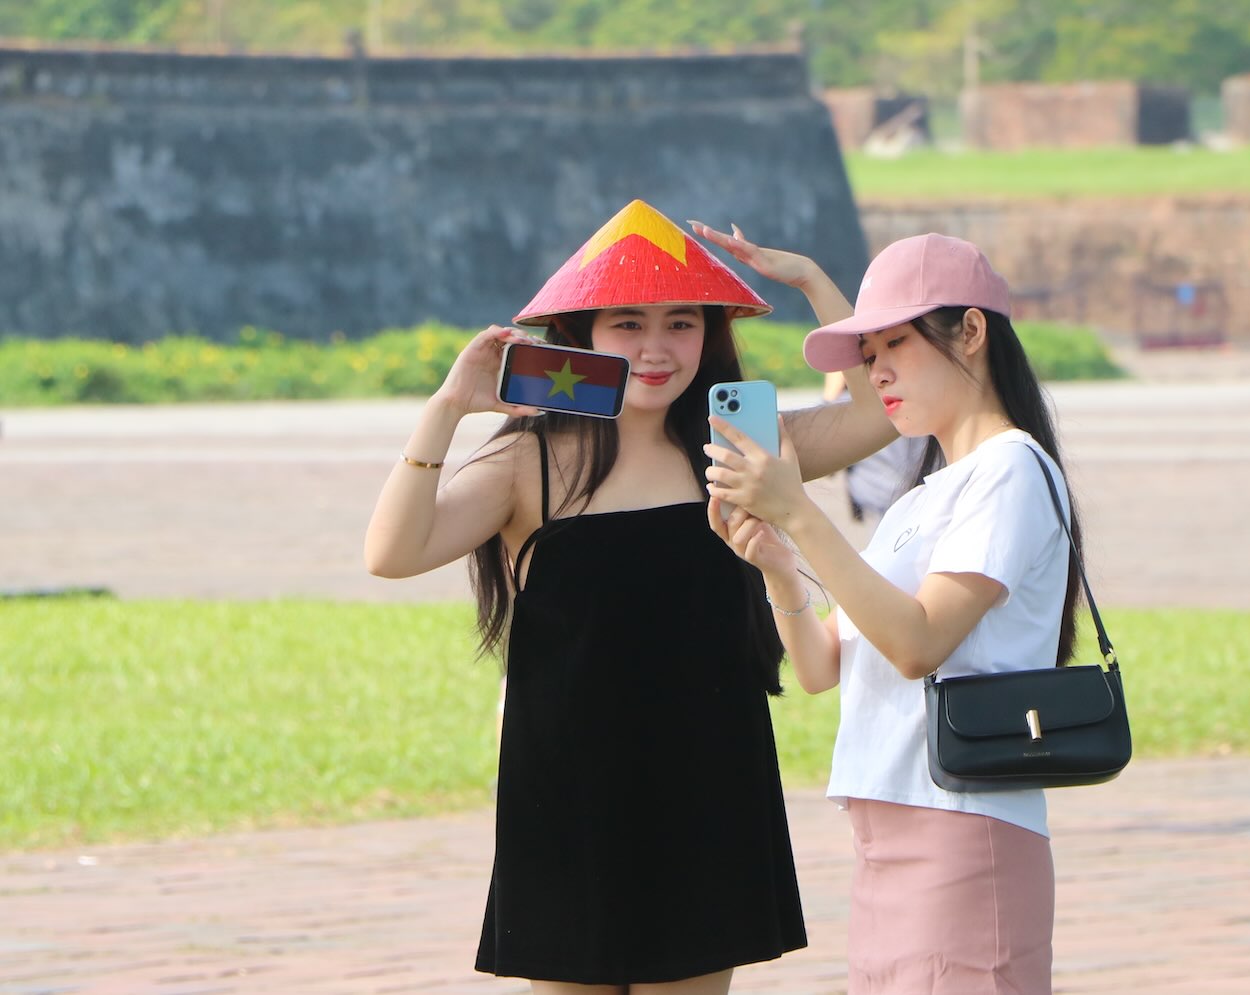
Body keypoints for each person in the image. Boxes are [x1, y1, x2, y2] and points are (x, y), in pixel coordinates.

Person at [364, 199, 895, 994]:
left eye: (681, 323)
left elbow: (878, 414)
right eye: (627, 324)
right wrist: (447, 409)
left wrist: (814, 281)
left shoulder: (744, 449)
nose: (656, 348)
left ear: (709, 335)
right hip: (567, 795)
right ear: (582, 336)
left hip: (708, 783)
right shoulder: (529, 462)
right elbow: (392, 553)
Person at [703, 233, 1084, 994]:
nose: (876, 371)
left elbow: (918, 643)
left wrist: (800, 511)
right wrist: (778, 565)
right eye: (868, 353)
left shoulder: (1010, 470)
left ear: (971, 331)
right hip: (886, 828)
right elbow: (820, 666)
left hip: (963, 832)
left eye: (895, 345)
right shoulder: (921, 497)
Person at [822, 369, 927, 527]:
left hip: (879, 493)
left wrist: (830, 393)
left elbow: (827, 460)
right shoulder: (911, 390)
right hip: (917, 489)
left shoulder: (846, 405)